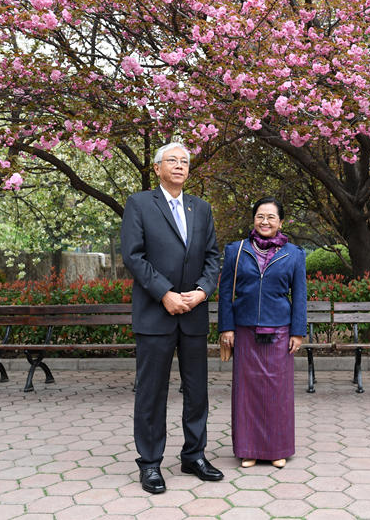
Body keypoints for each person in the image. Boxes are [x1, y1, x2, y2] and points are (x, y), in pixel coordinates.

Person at [120, 142, 223, 494]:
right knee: (152, 392)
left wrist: (203, 291)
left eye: (185, 161)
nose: (179, 165)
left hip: (193, 314)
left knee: (197, 391)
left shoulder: (201, 208)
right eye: (172, 160)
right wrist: (165, 293)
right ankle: (150, 463)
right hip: (155, 313)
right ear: (157, 168)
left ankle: (194, 455)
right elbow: (133, 256)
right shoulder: (139, 204)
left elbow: (212, 257)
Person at [217, 196, 307, 469]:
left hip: (279, 331)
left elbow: (300, 295)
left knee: (277, 392)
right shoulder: (236, 250)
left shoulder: (294, 254)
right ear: (253, 219)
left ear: (280, 222)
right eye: (260, 216)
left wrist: (298, 332)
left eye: (271, 217)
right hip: (244, 331)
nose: (265, 221)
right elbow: (225, 293)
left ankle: (277, 450)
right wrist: (226, 327)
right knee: (247, 392)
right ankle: (249, 450)